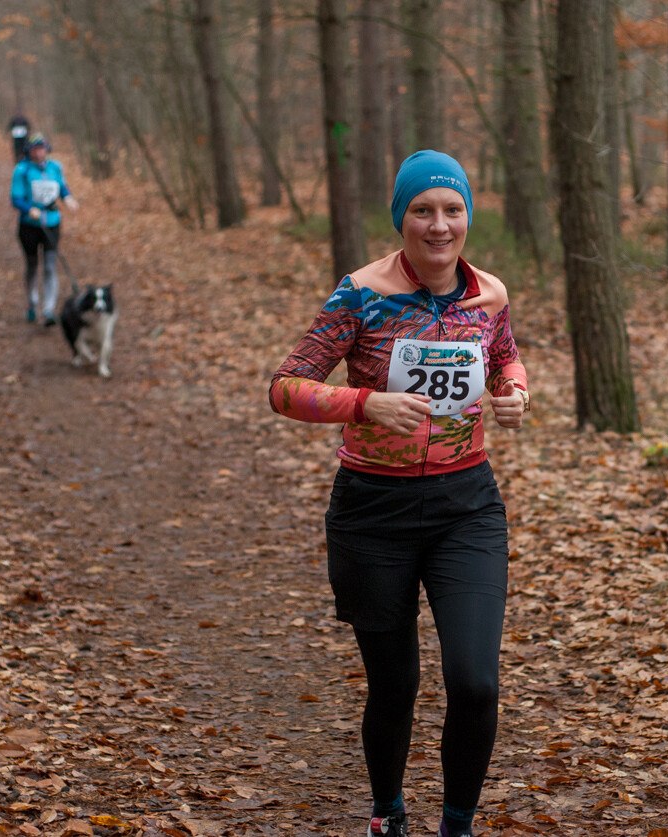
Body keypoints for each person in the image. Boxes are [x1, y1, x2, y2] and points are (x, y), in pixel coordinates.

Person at [269, 150, 531, 837]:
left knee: (475, 681)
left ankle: (457, 825)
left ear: (468, 216)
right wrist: (364, 404)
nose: (439, 225)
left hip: (466, 505)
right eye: (423, 210)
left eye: (452, 209)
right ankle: (387, 812)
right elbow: (285, 387)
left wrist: (516, 391)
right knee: (395, 685)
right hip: (372, 511)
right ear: (401, 218)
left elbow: (502, 354)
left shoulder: (490, 293)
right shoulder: (360, 292)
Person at [9, 132, 78, 326]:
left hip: (52, 222)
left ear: (47, 149)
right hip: (30, 226)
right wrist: (28, 209)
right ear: (29, 150)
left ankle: (48, 309)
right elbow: (15, 198)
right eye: (35, 149)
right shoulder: (22, 170)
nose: (39, 152)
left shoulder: (56, 167)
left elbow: (62, 187)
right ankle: (31, 301)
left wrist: (68, 198)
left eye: (42, 148)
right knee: (32, 264)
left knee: (49, 265)